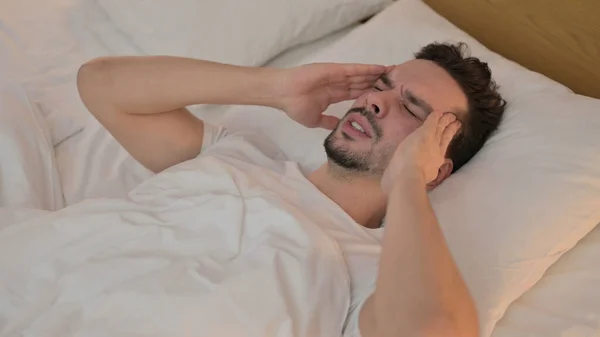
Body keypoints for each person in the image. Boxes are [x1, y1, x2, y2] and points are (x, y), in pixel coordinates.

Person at [77, 42, 506, 337]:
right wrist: (275, 88)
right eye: (380, 86)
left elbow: (436, 329)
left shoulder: (369, 271)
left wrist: (408, 181)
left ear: (436, 168)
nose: (376, 102)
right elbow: (100, 84)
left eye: (412, 109)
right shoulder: (240, 156)